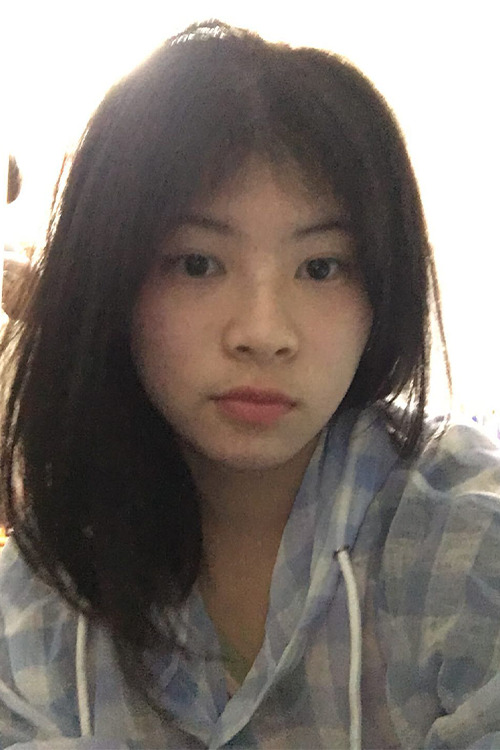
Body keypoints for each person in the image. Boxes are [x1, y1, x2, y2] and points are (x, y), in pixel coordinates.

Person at [0, 19, 499, 750]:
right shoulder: (39, 598)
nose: (264, 332)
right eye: (197, 264)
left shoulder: (467, 547)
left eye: (321, 267)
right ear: (110, 279)